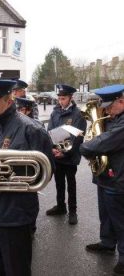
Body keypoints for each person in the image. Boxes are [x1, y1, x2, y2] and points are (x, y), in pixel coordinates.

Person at [0, 79, 54, 276]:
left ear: (9, 101)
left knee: (16, 269)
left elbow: (45, 171)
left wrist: (7, 173)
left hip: (14, 214)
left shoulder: (31, 129)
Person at [79, 84, 124, 276]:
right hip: (105, 176)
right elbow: (97, 137)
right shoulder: (111, 117)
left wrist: (85, 147)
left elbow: (102, 142)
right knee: (105, 214)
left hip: (119, 178)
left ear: (121, 101)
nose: (104, 110)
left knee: (120, 221)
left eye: (108, 106)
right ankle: (107, 243)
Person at [46, 84, 87, 225]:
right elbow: (50, 131)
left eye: (63, 98)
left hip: (69, 156)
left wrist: (64, 153)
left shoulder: (78, 114)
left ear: (71, 98)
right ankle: (61, 207)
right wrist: (52, 149)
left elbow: (78, 137)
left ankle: (73, 211)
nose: (60, 101)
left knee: (71, 184)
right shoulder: (55, 112)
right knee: (59, 183)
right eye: (59, 98)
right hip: (57, 155)